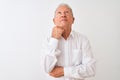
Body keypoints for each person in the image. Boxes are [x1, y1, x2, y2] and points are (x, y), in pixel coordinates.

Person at [44, 3, 96, 80]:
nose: (63, 15)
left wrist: (64, 71)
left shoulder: (83, 40)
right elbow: (47, 68)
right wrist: (54, 39)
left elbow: (91, 69)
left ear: (73, 20)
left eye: (66, 12)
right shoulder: (48, 41)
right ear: (54, 21)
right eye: (59, 13)